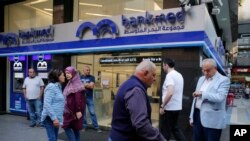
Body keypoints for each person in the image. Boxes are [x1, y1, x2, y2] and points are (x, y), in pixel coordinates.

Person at [109, 60, 166, 141]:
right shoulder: (136, 90)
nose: (154, 79)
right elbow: (141, 124)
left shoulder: (128, 84)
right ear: (145, 73)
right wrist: (160, 138)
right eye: (153, 75)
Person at [189, 58, 230, 141]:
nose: (205, 73)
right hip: (197, 115)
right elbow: (195, 100)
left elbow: (220, 97)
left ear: (215, 68)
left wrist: (202, 93)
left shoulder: (224, 80)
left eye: (208, 70)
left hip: (213, 119)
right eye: (203, 70)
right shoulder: (201, 79)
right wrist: (191, 116)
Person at [160, 58, 186, 141]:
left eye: (163, 66)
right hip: (177, 107)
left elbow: (170, 92)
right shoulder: (179, 75)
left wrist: (163, 106)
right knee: (175, 129)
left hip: (169, 108)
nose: (162, 68)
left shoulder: (169, 76)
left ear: (166, 65)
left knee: (165, 132)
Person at [41, 69, 65, 141]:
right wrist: (54, 118)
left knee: (54, 138)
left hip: (55, 117)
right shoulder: (51, 87)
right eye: (63, 75)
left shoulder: (58, 86)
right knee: (52, 139)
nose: (64, 77)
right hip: (50, 118)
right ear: (57, 77)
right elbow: (47, 104)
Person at [62, 66, 85, 141]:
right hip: (70, 111)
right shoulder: (70, 83)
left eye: (68, 73)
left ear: (73, 73)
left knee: (66, 126)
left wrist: (78, 110)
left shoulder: (76, 84)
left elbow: (79, 99)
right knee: (75, 129)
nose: (66, 75)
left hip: (73, 111)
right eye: (65, 73)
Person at [80, 65, 102, 132]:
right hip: (82, 97)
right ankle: (84, 126)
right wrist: (87, 84)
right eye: (87, 70)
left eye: (89, 70)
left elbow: (92, 86)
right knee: (83, 113)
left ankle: (96, 127)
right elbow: (79, 86)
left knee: (92, 112)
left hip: (89, 97)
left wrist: (84, 84)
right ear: (83, 70)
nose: (88, 71)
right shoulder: (79, 77)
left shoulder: (92, 77)